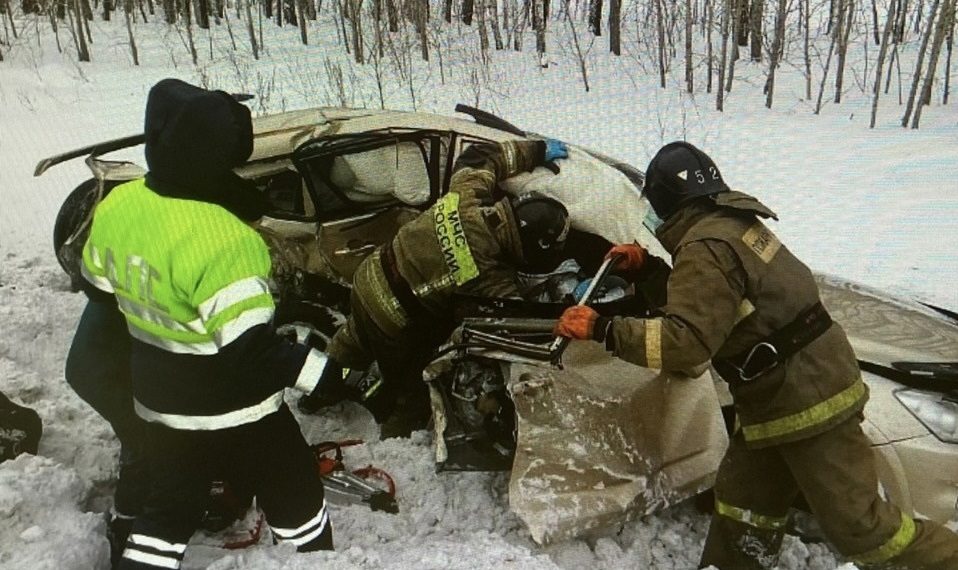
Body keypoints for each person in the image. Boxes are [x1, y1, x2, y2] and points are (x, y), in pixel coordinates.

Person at [554, 141, 958, 569]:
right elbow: (720, 302)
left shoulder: (704, 248)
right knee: (745, 506)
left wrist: (603, 329)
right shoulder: (731, 225)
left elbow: (685, 343)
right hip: (780, 399)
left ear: (666, 203)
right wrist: (649, 271)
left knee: (864, 530)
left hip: (808, 404)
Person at [80, 78, 338, 570]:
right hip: (237, 411)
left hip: (158, 404)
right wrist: (326, 374)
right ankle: (316, 557)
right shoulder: (226, 241)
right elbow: (253, 351)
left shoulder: (119, 204)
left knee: (168, 507)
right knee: (295, 490)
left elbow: (101, 289)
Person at [313, 139, 572, 438]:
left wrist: (536, 150)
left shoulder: (468, 197)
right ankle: (395, 446)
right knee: (411, 391)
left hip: (368, 275)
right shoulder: (487, 274)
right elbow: (519, 323)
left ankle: (316, 392)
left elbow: (478, 157)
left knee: (354, 337)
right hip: (391, 315)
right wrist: (571, 306)